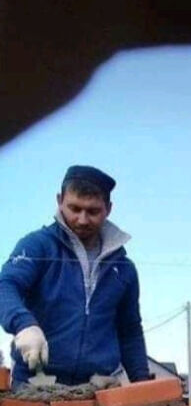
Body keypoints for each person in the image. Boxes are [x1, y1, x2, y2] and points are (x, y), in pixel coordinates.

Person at [0, 165, 150, 387]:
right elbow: (6, 286)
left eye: (93, 211)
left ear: (108, 209)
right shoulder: (37, 246)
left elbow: (130, 332)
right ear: (60, 201)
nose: (82, 219)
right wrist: (24, 324)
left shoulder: (123, 268)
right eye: (74, 208)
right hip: (35, 385)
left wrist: (142, 384)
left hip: (100, 387)